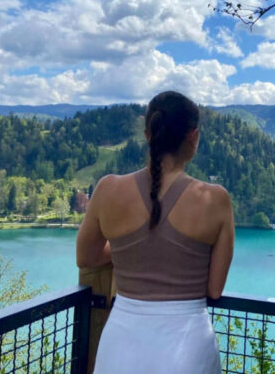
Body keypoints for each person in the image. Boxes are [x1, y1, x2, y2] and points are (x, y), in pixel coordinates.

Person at [76, 90, 235, 374]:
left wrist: (130, 250)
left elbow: (86, 257)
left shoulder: (108, 189)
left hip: (121, 342)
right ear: (193, 137)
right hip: (188, 346)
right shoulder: (215, 199)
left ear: (148, 135)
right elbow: (214, 288)